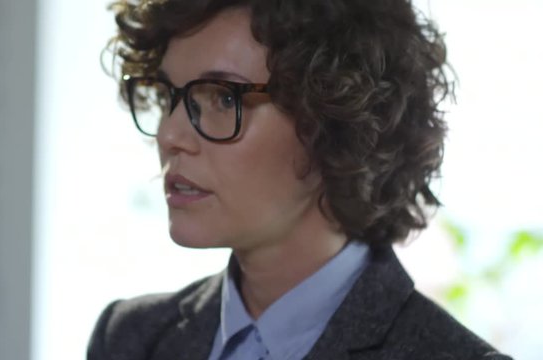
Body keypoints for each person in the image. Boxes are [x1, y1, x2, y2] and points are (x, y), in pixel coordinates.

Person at [88, 0, 512, 359]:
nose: (170, 135)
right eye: (168, 96)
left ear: (335, 120)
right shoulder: (130, 339)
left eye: (223, 97)